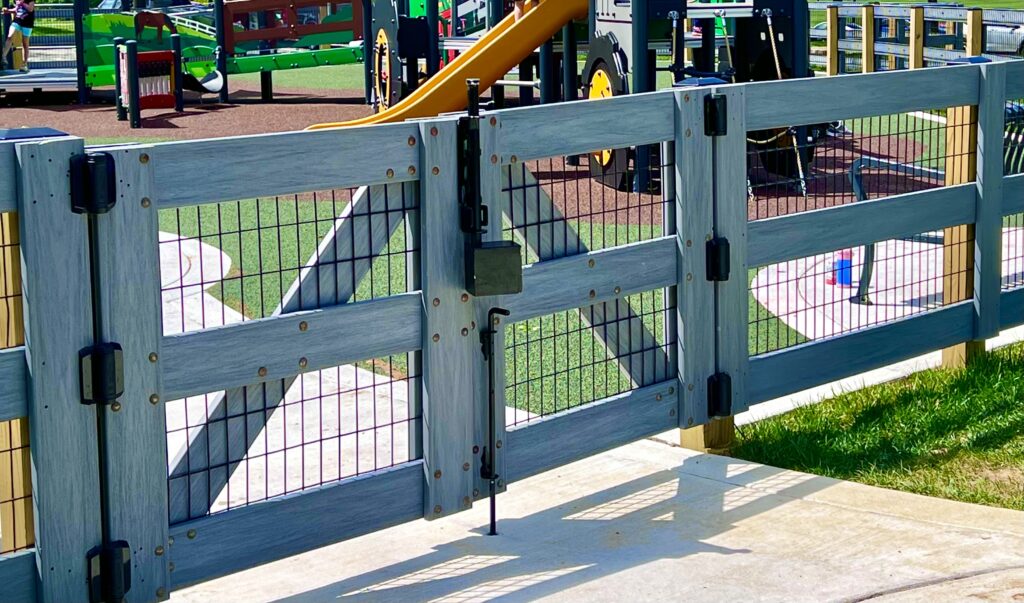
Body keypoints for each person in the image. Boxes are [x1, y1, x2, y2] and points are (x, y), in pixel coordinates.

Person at [2, 0, 34, 73]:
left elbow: (30, 9)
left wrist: (22, 3)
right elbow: (16, 9)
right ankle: (3, 57)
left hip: (27, 22)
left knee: (25, 44)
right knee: (10, 36)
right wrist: (8, 11)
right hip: (17, 21)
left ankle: (24, 64)